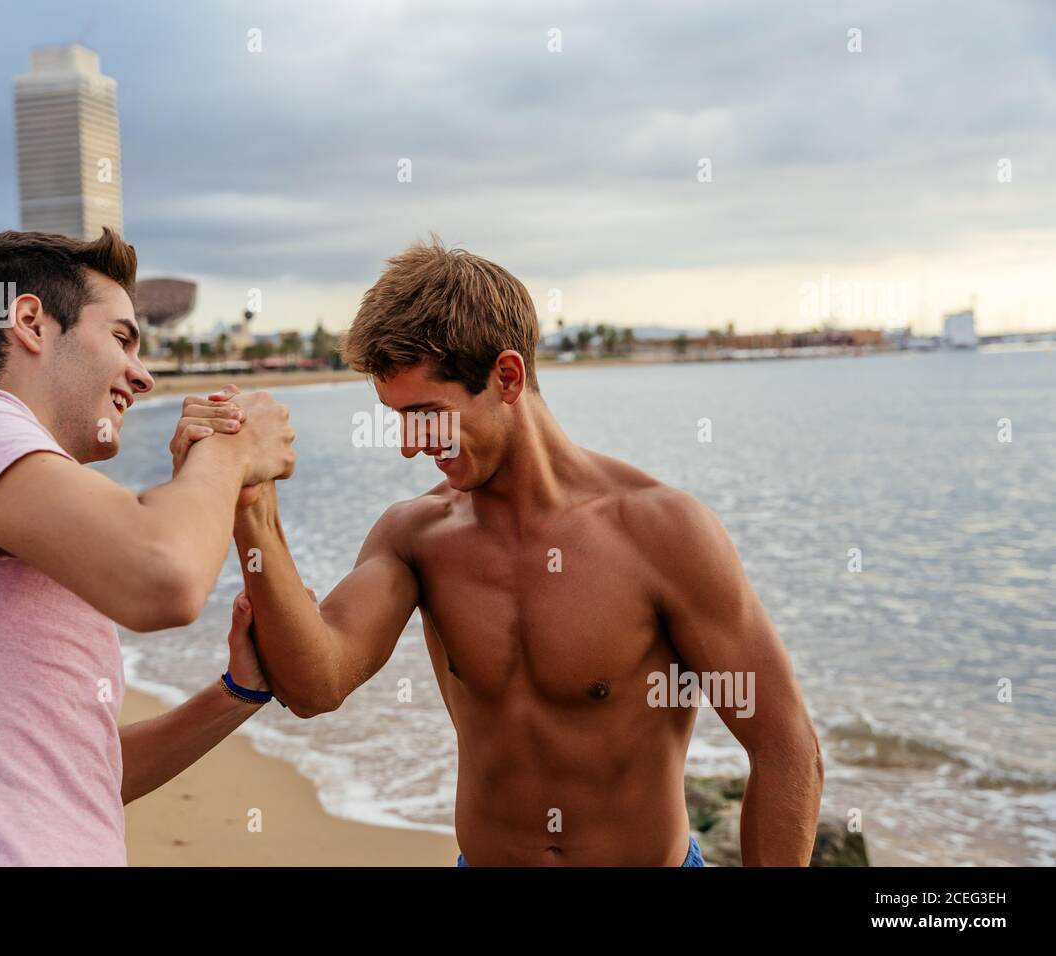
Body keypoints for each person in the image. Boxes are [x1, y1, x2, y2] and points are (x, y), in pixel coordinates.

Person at [179, 237, 823, 866]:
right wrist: (252, 506)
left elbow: (784, 744)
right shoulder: (416, 537)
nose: (409, 445)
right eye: (398, 417)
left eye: (427, 413)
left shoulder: (662, 532)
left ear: (506, 377)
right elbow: (317, 683)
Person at [0, 228, 294, 865]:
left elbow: (77, 781)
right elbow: (164, 575)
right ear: (30, 322)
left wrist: (236, 693)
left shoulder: (2, 492)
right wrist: (233, 451)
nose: (143, 376)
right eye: (121, 338)